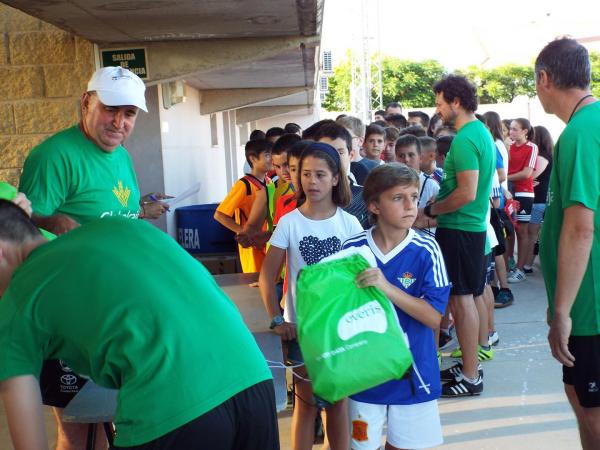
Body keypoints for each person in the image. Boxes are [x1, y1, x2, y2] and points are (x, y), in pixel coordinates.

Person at [0, 205, 279, 450]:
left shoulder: (18, 298)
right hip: (252, 379)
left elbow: (21, 403)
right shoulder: (119, 227)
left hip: (171, 405)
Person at [17, 66, 169, 450]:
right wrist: (51, 219)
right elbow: (17, 227)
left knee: (108, 423)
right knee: (79, 427)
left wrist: (138, 215)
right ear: (87, 102)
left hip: (116, 313)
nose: (119, 122)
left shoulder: (121, 157)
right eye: (110, 110)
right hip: (70, 316)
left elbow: (114, 216)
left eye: (129, 114)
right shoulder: (54, 156)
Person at [259, 142, 362, 450]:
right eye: (306, 174)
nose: (312, 181)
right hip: (300, 330)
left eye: (320, 174)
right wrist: (277, 319)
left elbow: (359, 279)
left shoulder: (350, 224)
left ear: (335, 178)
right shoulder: (289, 222)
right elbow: (267, 276)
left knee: (337, 402)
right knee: (306, 405)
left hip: (340, 329)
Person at [343, 163, 449, 450]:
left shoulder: (428, 249)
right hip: (364, 376)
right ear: (374, 206)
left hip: (414, 374)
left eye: (414, 197)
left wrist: (386, 288)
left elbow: (433, 318)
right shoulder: (351, 251)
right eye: (398, 198)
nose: (410, 206)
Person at [535, 37, 600, 449]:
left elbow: (580, 227)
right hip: (584, 300)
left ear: (545, 79)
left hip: (590, 305)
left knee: (592, 410)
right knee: (578, 395)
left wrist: (561, 309)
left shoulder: (579, 132)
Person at [421, 74, 495, 397]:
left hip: (461, 229)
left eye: (440, 103)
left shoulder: (465, 139)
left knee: (463, 301)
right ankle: (469, 366)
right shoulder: (478, 132)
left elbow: (467, 192)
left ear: (456, 101)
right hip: (467, 230)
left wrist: (433, 212)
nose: (437, 110)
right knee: (464, 298)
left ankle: (470, 376)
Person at [214, 139, 273, 273]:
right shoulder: (243, 185)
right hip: (252, 248)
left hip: (267, 243)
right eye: (267, 155)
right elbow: (219, 215)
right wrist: (244, 233)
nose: (271, 159)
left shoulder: (269, 182)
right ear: (253, 158)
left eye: (272, 154)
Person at [314, 122, 370, 229]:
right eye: (326, 152)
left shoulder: (365, 196)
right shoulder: (307, 198)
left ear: (351, 155)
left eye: (340, 152)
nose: (333, 158)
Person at [506, 118, 538, 283]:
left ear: (525, 131)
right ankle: (510, 263)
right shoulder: (508, 146)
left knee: (522, 231)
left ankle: (520, 269)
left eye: (515, 129)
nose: (511, 132)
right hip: (508, 192)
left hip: (524, 193)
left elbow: (527, 174)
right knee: (509, 230)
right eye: (510, 129)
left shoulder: (532, 147)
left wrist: (504, 178)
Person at [524, 125, 553, 272]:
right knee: (531, 233)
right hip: (537, 200)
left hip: (539, 201)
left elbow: (531, 175)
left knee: (532, 234)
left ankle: (527, 265)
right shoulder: (541, 155)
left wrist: (527, 180)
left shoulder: (543, 156)